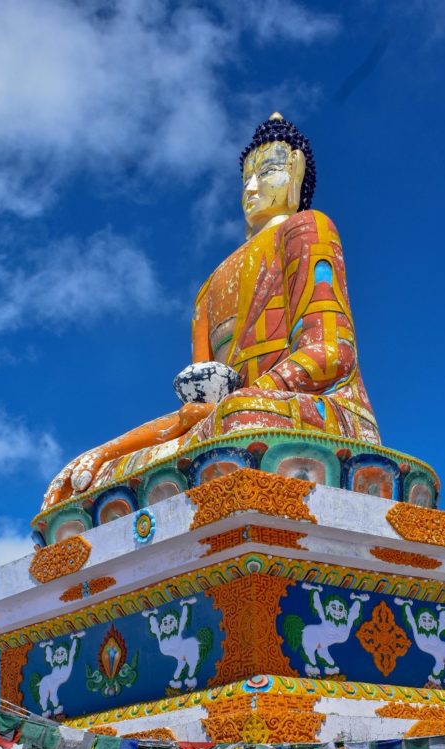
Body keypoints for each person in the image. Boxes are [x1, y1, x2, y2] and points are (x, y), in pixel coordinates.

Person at [42, 113, 379, 511]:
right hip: (222, 425)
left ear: (296, 172)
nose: (251, 187)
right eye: (246, 178)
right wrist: (106, 451)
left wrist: (252, 395)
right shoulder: (209, 288)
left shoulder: (307, 229)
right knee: (103, 476)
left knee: (238, 421)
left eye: (267, 172)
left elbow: (332, 352)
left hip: (316, 412)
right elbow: (196, 409)